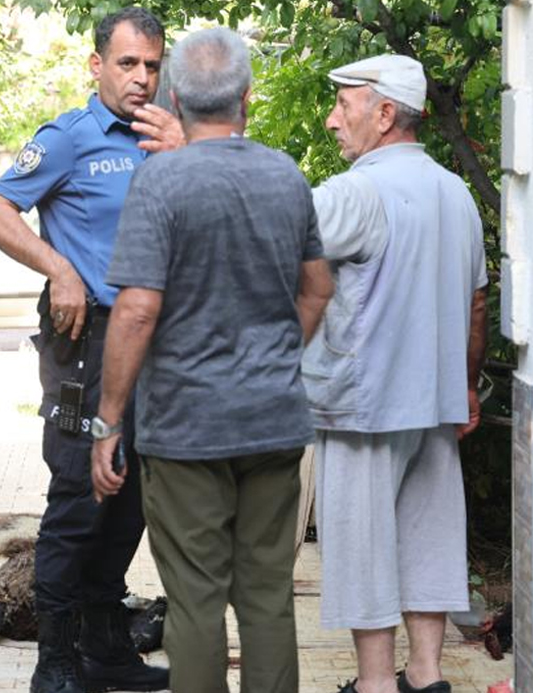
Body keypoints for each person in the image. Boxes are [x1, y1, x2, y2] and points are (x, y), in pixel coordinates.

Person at [90, 26, 335, 693]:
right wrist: (280, 351)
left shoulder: (161, 181)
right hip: (273, 420)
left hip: (186, 425)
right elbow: (318, 286)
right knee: (265, 595)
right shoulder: (285, 174)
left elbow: (137, 310)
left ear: (174, 95)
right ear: (246, 97)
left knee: (195, 599)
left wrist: (108, 419)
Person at [0, 7, 174, 693]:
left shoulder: (171, 136)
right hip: (86, 341)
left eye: (152, 65)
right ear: (96, 66)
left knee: (134, 497)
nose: (142, 79)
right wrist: (58, 268)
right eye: (127, 64)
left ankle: (106, 648)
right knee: (82, 495)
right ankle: (55, 660)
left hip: (156, 343)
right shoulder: (71, 138)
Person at [304, 54, 488, 693]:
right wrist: (465, 386)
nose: (333, 120)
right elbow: (476, 302)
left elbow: (278, 253)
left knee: (361, 549)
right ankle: (427, 677)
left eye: (344, 105)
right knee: (428, 541)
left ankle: (377, 684)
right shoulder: (456, 193)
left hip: (363, 406)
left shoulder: (355, 191)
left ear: (385, 114)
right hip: (435, 405)